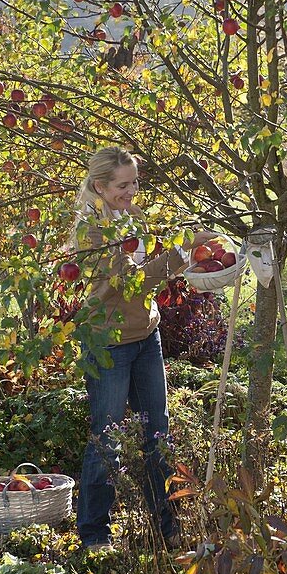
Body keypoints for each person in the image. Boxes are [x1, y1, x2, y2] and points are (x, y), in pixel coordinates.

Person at [73, 145, 215, 550]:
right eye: (123, 185)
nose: (132, 191)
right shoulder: (92, 231)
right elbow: (133, 281)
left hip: (144, 336)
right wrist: (184, 253)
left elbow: (151, 266)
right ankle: (94, 534)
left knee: (158, 434)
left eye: (135, 181)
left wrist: (190, 250)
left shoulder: (130, 216)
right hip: (109, 342)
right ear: (100, 186)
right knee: (107, 438)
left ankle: (166, 527)